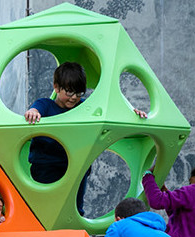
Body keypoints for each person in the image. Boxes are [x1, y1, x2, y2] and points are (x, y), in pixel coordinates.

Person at [24, 62, 146, 217]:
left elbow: (109, 111)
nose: (74, 97)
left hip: (76, 166)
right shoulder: (45, 105)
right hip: (46, 166)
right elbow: (35, 109)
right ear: (56, 87)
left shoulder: (84, 106)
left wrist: (132, 112)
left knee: (75, 206)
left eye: (79, 93)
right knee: (47, 205)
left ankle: (75, 227)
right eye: (69, 92)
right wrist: (33, 112)